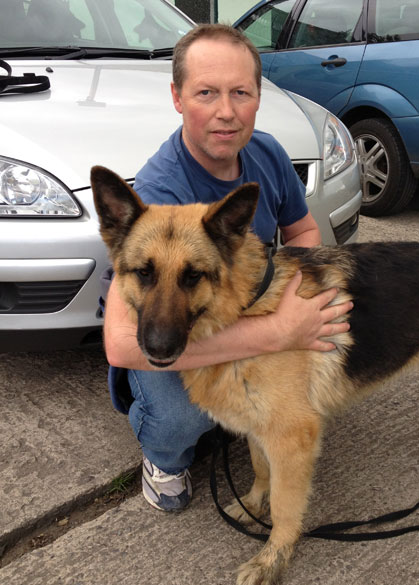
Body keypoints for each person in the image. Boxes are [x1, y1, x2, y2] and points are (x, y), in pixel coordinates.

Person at [102, 24, 353, 512]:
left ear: (259, 96)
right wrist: (282, 332)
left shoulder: (267, 152)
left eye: (241, 92)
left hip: (232, 307)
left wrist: (298, 302)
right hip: (156, 333)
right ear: (177, 97)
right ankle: (163, 457)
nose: (226, 111)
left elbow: (302, 234)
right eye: (206, 93)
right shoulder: (159, 195)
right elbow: (119, 344)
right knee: (182, 417)